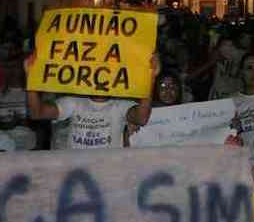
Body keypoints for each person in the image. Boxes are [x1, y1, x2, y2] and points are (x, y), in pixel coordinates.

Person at [27, 52, 160, 149]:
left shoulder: (120, 106)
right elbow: (37, 113)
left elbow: (141, 118)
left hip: (108, 175)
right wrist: (31, 78)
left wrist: (150, 79)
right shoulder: (74, 102)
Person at [0, 57, 38, 150]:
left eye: (16, 67)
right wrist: (6, 125)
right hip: (4, 144)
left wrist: (28, 122)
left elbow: (42, 122)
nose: (12, 70)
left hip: (28, 144)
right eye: (9, 67)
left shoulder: (32, 92)